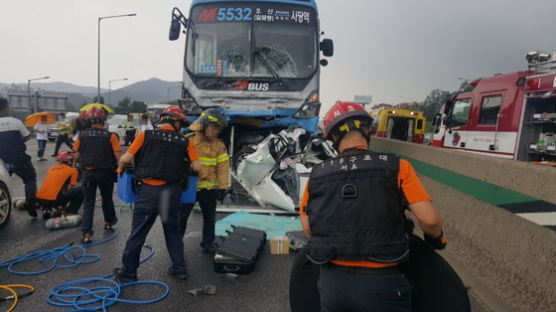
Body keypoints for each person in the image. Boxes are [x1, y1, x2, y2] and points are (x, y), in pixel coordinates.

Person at [299, 101, 446, 312]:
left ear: (331, 137)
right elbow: (430, 220)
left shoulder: (316, 174)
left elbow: (308, 228)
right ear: (369, 129)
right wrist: (436, 240)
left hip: (333, 283)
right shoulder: (398, 167)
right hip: (382, 283)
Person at [113, 106, 201, 283]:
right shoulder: (185, 141)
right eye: (181, 124)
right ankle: (179, 269)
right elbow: (198, 167)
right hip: (171, 193)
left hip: (148, 193)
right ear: (176, 122)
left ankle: (129, 273)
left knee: (138, 233)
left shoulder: (145, 135)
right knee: (173, 232)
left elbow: (125, 159)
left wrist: (120, 168)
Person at [180, 108, 230, 254]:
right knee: (181, 219)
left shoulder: (219, 145)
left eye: (218, 129)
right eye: (214, 128)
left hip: (209, 189)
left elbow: (223, 167)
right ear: (205, 126)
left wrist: (223, 187)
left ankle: (207, 243)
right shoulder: (188, 141)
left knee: (210, 218)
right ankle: (176, 245)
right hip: (189, 188)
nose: (217, 132)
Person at [74, 107, 121, 244]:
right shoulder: (110, 136)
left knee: (88, 203)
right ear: (103, 120)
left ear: (89, 120)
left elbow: (76, 155)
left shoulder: (81, 135)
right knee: (107, 198)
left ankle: (87, 234)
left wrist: (77, 165)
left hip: (88, 173)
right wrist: (121, 167)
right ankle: (109, 221)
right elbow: (118, 155)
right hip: (105, 173)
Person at [0, 97, 38, 217]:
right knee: (30, 179)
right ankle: (31, 204)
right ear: (6, 108)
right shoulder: (15, 121)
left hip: (2, 160)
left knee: (2, 184)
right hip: (19, 158)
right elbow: (27, 136)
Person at [35, 150, 82, 218]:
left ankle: (47, 207)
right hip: (54, 200)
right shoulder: (73, 171)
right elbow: (69, 188)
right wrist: (62, 205)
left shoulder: (51, 168)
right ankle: (71, 211)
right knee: (81, 190)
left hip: (40, 199)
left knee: (55, 189)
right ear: (69, 161)